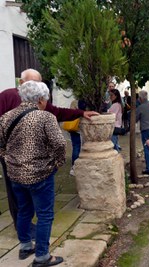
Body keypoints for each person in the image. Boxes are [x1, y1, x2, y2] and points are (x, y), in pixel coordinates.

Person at [0, 68, 98, 234]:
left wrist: (80, 113)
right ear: (21, 84)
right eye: (31, 83)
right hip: (14, 159)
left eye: (38, 83)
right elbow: (60, 143)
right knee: (19, 197)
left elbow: (58, 112)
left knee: (27, 198)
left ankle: (25, 238)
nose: (35, 87)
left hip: (33, 160)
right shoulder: (7, 96)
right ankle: (32, 240)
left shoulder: (41, 104)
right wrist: (6, 156)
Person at [0, 81, 65, 266]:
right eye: (45, 98)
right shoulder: (45, 117)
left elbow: (0, 144)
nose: (46, 101)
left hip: (16, 176)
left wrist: (8, 160)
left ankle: (25, 246)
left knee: (23, 211)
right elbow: (60, 144)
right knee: (45, 215)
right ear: (40, 99)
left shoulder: (6, 117)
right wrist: (57, 163)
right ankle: (42, 256)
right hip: (40, 175)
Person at [136, 90, 149, 174]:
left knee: (146, 148)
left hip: (145, 129)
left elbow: (135, 119)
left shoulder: (141, 107)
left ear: (140, 98)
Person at [68, 99, 87, 176]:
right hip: (79, 128)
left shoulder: (73, 102)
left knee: (75, 147)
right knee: (78, 147)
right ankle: (75, 167)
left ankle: (74, 167)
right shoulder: (85, 102)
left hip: (73, 128)